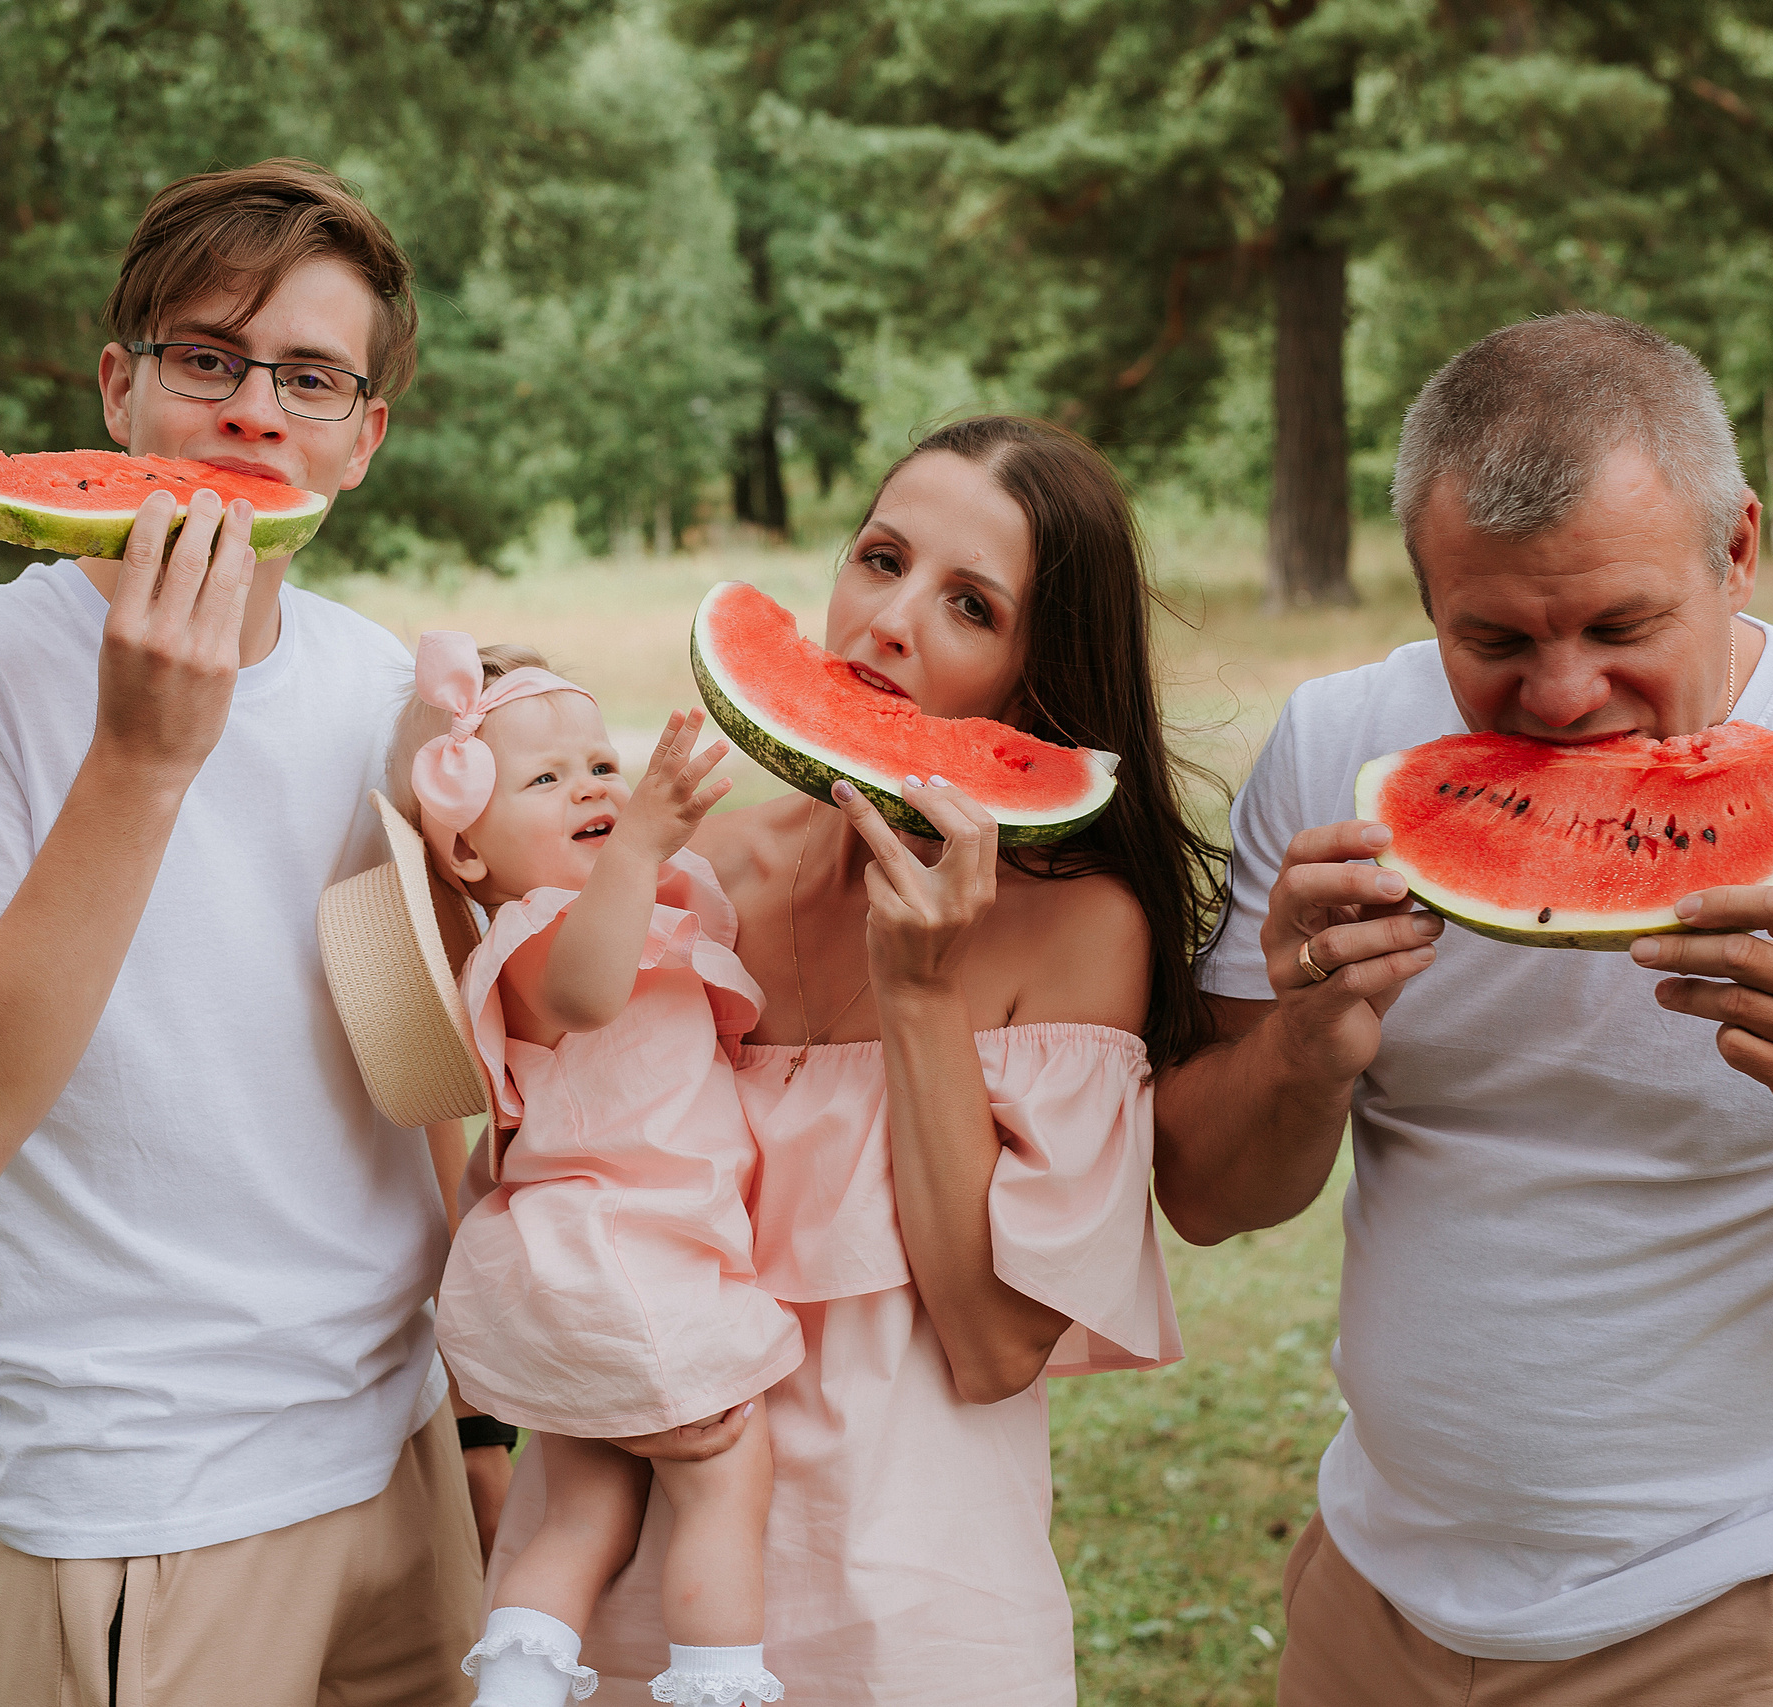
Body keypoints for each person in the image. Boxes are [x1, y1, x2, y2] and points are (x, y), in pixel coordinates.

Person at [1153, 311, 1773, 1704]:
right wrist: (1308, 1041)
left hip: (1733, 1606)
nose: (1560, 695)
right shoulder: (1334, 751)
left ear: (1737, 550)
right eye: (1491, 636)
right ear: (1425, 590)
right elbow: (1207, 1191)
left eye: (1621, 625)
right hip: (1375, 1588)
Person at [0, 160, 494, 1706]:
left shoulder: (372, 680)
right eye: (209, 356)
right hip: (153, 1494)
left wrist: (479, 1421)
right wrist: (141, 754)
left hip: (400, 1451)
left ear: (363, 437)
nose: (257, 411)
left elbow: (410, 1065)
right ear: (120, 389)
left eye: (312, 376)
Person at [476, 415, 1223, 1703]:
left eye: (969, 605)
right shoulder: (699, 880)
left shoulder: (1085, 928)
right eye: (880, 558)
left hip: (912, 1611)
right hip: (633, 1579)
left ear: (1034, 683)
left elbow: (992, 1346)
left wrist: (920, 992)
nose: (889, 621)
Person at [392, 634, 801, 1707]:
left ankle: (516, 1692)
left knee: (583, 1511)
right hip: (634, 1270)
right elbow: (589, 992)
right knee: (724, 1477)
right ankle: (720, 1686)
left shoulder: (635, 909)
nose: (589, 787)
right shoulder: (530, 939)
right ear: (467, 856)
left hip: (578, 1276)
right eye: (543, 778)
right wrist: (637, 846)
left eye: (600, 767)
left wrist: (652, 860)